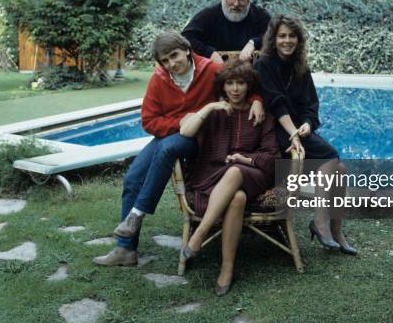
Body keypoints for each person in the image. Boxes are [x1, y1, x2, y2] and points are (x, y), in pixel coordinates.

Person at [93, 31, 265, 267]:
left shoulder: (210, 69)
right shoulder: (159, 80)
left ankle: (138, 213)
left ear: (187, 50)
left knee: (167, 148)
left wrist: (256, 99)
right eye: (165, 60)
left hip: (204, 138)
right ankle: (125, 250)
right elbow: (149, 121)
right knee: (133, 178)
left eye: (175, 55)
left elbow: (241, 80)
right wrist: (181, 122)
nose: (172, 63)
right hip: (171, 136)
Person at [254, 15, 357, 256]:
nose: (287, 41)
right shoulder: (265, 64)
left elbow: (310, 104)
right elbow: (276, 103)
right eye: (282, 36)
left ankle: (336, 230)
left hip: (296, 130)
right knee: (331, 156)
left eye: (292, 36)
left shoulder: (300, 67)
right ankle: (320, 222)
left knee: (339, 170)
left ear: (298, 39)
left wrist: (308, 125)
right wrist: (294, 134)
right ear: (273, 39)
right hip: (276, 131)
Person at [179, 60, 279, 296]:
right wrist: (210, 108)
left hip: (255, 175)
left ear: (249, 85)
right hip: (214, 176)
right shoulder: (215, 112)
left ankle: (199, 235)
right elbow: (186, 130)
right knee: (237, 198)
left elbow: (272, 156)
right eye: (230, 83)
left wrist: (244, 160)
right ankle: (227, 267)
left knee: (235, 171)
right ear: (222, 87)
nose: (235, 89)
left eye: (241, 83)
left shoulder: (261, 114)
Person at [181, 0, 271, 64]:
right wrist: (209, 53)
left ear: (249, 0)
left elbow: (275, 34)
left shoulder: (260, 16)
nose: (236, 4)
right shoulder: (208, 15)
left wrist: (254, 42)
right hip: (216, 73)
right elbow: (185, 37)